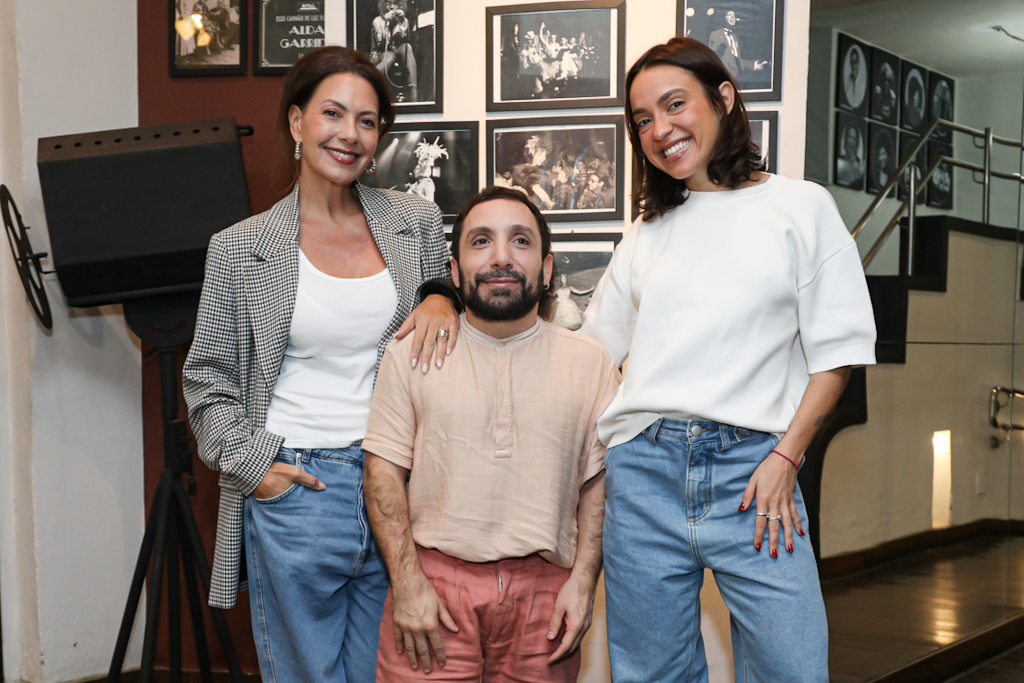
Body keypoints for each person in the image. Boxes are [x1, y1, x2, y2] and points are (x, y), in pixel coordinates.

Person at [578, 37, 876, 682]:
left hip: (755, 473)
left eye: (675, 104)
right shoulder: (647, 233)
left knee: (792, 669)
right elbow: (589, 356)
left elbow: (839, 356)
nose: (660, 130)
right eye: (642, 120)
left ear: (724, 99)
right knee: (651, 674)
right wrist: (442, 297)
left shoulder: (801, 207)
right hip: (643, 472)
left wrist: (786, 457)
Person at [182, 46, 461, 683]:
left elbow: (443, 301)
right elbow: (207, 384)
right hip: (298, 489)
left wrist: (443, 295)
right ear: (296, 121)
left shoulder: (413, 221)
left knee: (389, 672)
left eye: (367, 121)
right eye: (333, 113)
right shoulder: (240, 248)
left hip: (397, 484)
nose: (350, 134)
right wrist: (261, 473)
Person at [361, 186, 620, 682]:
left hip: (546, 597)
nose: (501, 257)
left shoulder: (591, 363)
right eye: (481, 242)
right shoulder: (411, 354)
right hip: (433, 589)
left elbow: (598, 487)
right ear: (454, 272)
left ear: (546, 270)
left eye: (520, 241)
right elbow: (383, 472)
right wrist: (408, 583)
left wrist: (584, 582)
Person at [707, 10, 767, 80]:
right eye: (730, 15)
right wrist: (720, 47)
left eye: (734, 15)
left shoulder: (734, 36)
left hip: (737, 77)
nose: (733, 17)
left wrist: (753, 65)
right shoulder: (716, 34)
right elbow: (711, 56)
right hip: (724, 76)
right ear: (723, 18)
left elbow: (736, 60)